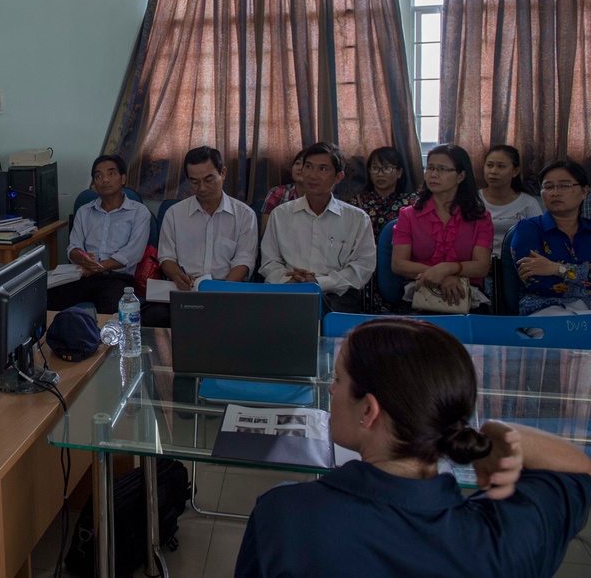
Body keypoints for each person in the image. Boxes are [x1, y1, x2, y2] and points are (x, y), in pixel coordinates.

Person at [234, 317, 591, 578]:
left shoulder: (286, 516)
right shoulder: (508, 540)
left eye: (338, 379)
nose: (330, 389)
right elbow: (579, 469)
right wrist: (499, 432)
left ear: (368, 410)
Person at [144, 146, 258, 327]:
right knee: (152, 317)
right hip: (186, 291)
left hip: (226, 290)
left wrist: (221, 292)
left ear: (223, 173)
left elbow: (244, 261)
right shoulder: (174, 214)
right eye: (194, 182)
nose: (202, 188)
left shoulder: (244, 215)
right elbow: (166, 257)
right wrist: (177, 275)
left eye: (209, 179)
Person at [260, 142, 375, 313]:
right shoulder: (280, 214)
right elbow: (269, 261)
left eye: (323, 169)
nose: (313, 175)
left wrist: (319, 283)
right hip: (288, 290)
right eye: (308, 167)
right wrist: (288, 281)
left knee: (320, 311)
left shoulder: (357, 219)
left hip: (336, 294)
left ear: (338, 177)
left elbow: (362, 267)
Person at [392, 143, 493, 309]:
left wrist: (447, 269)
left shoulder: (480, 217)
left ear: (460, 176)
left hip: (467, 293)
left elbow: (481, 266)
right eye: (430, 168)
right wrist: (441, 276)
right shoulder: (409, 215)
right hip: (420, 292)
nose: (433, 174)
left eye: (442, 169)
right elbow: (398, 263)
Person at [48, 155, 151, 314]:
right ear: (94, 183)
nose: (105, 180)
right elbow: (73, 247)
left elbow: (132, 253)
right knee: (43, 300)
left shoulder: (139, 212)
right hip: (84, 275)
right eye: (98, 176)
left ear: (123, 178)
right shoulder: (84, 211)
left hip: (117, 278)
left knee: (113, 313)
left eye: (111, 173)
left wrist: (98, 267)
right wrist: (81, 257)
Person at [511, 160, 591, 316]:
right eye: (548, 187)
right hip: (543, 308)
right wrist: (584, 286)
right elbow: (536, 281)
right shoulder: (528, 229)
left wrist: (557, 269)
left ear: (584, 191)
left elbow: (552, 274)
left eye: (564, 186)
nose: (555, 193)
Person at [480, 145, 542, 255]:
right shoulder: (473, 200)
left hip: (515, 262)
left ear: (515, 171)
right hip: (479, 261)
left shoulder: (528, 203)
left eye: (501, 166)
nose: (493, 171)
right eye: (489, 165)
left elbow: (539, 238)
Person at [351, 146, 418, 241]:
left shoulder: (412, 202)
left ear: (399, 172)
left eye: (386, 168)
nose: (380, 174)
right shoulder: (357, 202)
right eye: (375, 168)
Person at [259, 148, 306, 236]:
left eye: (306, 165)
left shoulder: (320, 197)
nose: (300, 168)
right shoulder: (277, 193)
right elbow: (266, 234)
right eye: (297, 163)